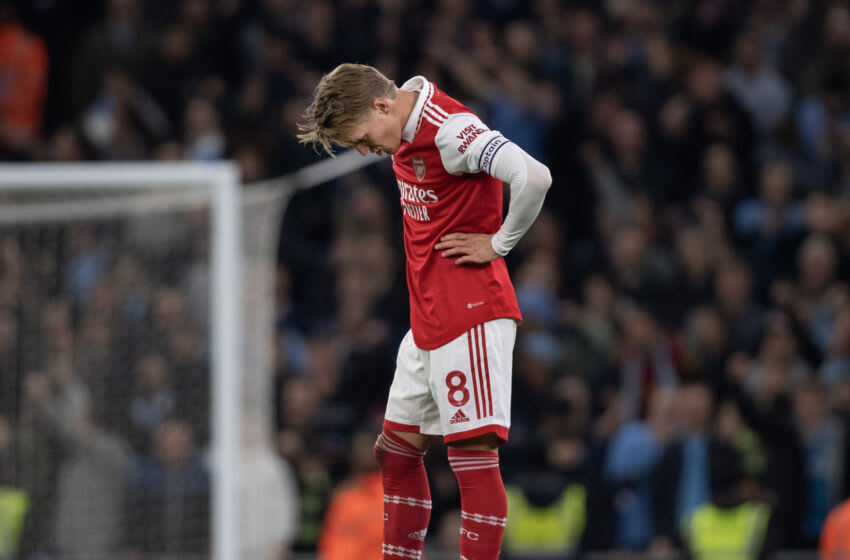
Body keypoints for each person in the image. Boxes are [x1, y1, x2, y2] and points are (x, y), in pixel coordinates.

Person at [298, 63, 552, 560]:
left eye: (364, 139)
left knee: (471, 454)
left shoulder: (452, 130)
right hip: (427, 320)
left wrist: (499, 243)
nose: (368, 151)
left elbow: (534, 176)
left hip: (472, 312)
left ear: (381, 105)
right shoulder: (403, 124)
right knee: (393, 453)